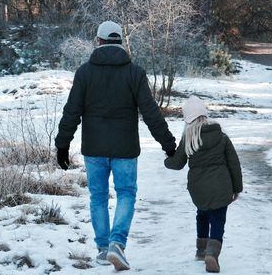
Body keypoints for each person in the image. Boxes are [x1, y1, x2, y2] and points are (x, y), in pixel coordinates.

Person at [55, 20, 176, 271]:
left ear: (98, 41)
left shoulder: (84, 72)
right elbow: (151, 112)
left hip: (94, 149)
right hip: (125, 150)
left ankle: (102, 249)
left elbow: (72, 112)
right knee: (126, 194)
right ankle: (117, 244)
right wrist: (168, 144)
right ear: (120, 42)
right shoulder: (135, 72)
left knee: (98, 197)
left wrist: (62, 145)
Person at [164, 96, 242, 273]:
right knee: (218, 219)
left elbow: (177, 163)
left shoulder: (189, 138)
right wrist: (237, 188)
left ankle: (201, 250)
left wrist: (166, 160)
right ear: (205, 115)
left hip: (198, 188)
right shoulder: (221, 136)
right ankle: (212, 254)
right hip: (221, 186)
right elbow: (234, 164)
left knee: (202, 214)